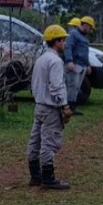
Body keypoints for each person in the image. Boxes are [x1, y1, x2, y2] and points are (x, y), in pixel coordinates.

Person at [27, 24, 73, 190]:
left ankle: (35, 175)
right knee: (49, 142)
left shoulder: (40, 59)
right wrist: (64, 105)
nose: (65, 44)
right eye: (63, 40)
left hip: (39, 105)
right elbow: (56, 86)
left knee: (35, 140)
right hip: (51, 107)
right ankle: (48, 178)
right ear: (57, 41)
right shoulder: (55, 61)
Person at [64, 15, 90, 115]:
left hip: (82, 65)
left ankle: (72, 107)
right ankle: (68, 107)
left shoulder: (84, 37)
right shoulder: (73, 34)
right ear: (86, 25)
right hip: (74, 64)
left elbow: (85, 51)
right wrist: (69, 61)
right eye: (90, 27)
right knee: (71, 86)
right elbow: (68, 47)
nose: (90, 30)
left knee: (76, 87)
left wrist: (87, 65)